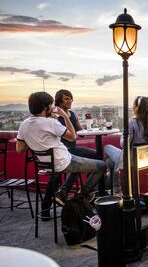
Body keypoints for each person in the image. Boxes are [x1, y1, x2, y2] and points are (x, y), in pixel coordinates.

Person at [16, 92, 106, 220]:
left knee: (78, 166)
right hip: (64, 161)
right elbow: (73, 136)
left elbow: (20, 149)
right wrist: (64, 115)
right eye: (50, 105)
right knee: (102, 165)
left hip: (46, 164)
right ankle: (81, 196)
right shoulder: (51, 123)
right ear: (46, 107)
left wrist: (34, 141)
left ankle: (61, 195)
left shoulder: (24, 124)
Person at [104, 96, 148, 196]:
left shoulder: (132, 122)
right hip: (143, 158)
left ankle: (114, 188)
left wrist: (122, 136)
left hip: (129, 158)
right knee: (109, 162)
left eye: (134, 105)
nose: (132, 107)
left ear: (137, 107)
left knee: (106, 147)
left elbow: (124, 145)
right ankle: (115, 187)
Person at [54, 89, 97, 159]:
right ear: (59, 101)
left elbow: (81, 133)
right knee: (97, 154)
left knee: (98, 154)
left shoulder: (73, 114)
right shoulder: (54, 116)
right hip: (63, 152)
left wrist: (88, 125)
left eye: (71, 99)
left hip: (73, 149)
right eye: (66, 99)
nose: (70, 101)